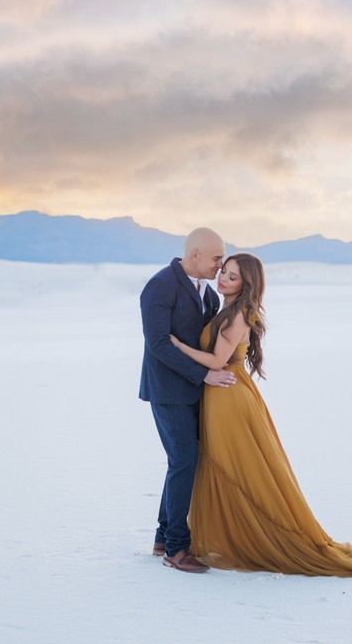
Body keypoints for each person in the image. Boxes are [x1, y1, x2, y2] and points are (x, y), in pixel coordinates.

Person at [169, 253, 352, 577]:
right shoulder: (227, 310)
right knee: (225, 464)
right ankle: (233, 535)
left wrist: (178, 346)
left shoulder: (237, 316)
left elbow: (217, 361)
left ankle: (259, 537)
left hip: (229, 399)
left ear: (246, 285)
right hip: (223, 395)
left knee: (237, 467)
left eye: (232, 277)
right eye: (224, 272)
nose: (222, 279)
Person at [139, 228, 236, 574]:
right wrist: (204, 376)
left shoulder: (206, 293)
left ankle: (163, 538)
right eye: (216, 257)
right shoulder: (160, 286)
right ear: (195, 254)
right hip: (167, 392)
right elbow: (158, 345)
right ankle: (177, 549)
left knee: (180, 462)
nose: (220, 265)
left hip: (193, 392)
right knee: (183, 461)